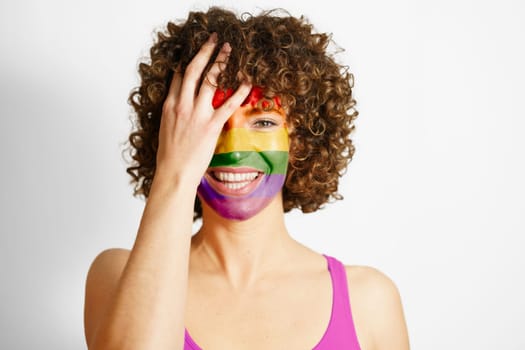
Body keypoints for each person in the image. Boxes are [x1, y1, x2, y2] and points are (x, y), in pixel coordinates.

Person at [83, 7, 410, 350]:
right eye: (210, 123)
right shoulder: (118, 276)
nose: (235, 150)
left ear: (299, 140)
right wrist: (175, 170)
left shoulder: (369, 301)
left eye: (264, 122)